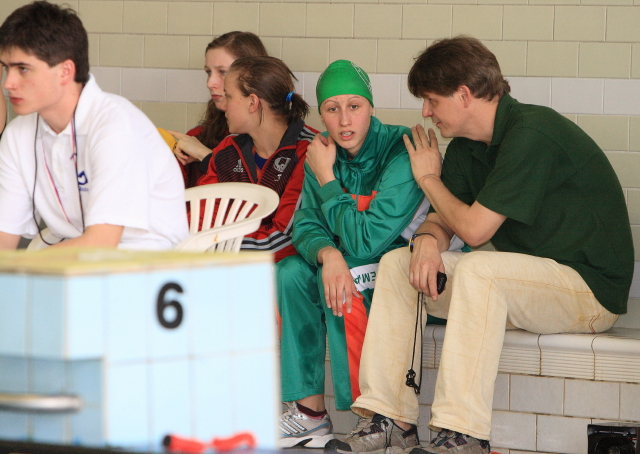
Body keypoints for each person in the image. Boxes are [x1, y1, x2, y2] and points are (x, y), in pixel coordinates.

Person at [329, 36, 634, 454]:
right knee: (399, 263)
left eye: (432, 100)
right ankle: (390, 419)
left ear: (464, 94)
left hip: (590, 291)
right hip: (529, 287)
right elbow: (442, 220)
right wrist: (425, 242)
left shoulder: (532, 132)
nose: (426, 112)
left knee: (478, 269)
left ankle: (464, 434)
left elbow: (474, 230)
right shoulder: (467, 148)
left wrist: (427, 178)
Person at [276, 60, 464, 449]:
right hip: (354, 260)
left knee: (352, 273)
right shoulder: (322, 151)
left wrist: (327, 179)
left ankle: (379, 415)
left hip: (416, 272)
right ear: (321, 114)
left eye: (355, 106)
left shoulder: (401, 149)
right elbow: (305, 225)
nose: (344, 120)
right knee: (291, 272)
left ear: (371, 107)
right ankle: (309, 413)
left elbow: (367, 242)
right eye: (332, 108)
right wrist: (327, 254)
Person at [0, 1, 188, 250]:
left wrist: (24, 267)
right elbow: (4, 236)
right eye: (6, 68)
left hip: (146, 259)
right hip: (73, 253)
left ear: (65, 71)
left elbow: (101, 244)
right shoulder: (17, 134)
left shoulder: (115, 125)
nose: (8, 83)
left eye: (23, 69)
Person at [195, 56, 317, 262]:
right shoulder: (227, 149)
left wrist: (215, 247)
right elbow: (202, 217)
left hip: (279, 270)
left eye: (229, 96)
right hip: (226, 264)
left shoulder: (309, 152)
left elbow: (286, 240)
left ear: (252, 102)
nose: (223, 105)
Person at [168, 31, 268, 188]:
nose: (210, 83)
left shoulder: (283, 139)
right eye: (208, 72)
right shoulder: (198, 136)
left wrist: (205, 155)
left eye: (223, 72)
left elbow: (257, 193)